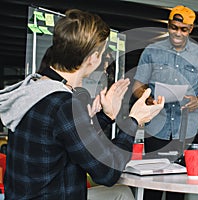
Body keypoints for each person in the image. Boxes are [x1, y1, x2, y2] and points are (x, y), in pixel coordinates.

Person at [0, 9, 164, 200]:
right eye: (102, 53)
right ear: (93, 57)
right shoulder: (65, 104)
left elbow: (71, 142)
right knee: (122, 193)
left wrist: (106, 116)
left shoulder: (35, 89)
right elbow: (107, 172)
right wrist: (134, 120)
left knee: (121, 193)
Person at [132, 5, 198, 200]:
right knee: (152, 186)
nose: (177, 33)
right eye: (173, 27)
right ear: (168, 25)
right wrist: (149, 99)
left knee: (177, 188)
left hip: (185, 130)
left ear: (191, 29)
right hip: (156, 127)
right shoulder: (152, 50)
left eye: (183, 29)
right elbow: (137, 86)